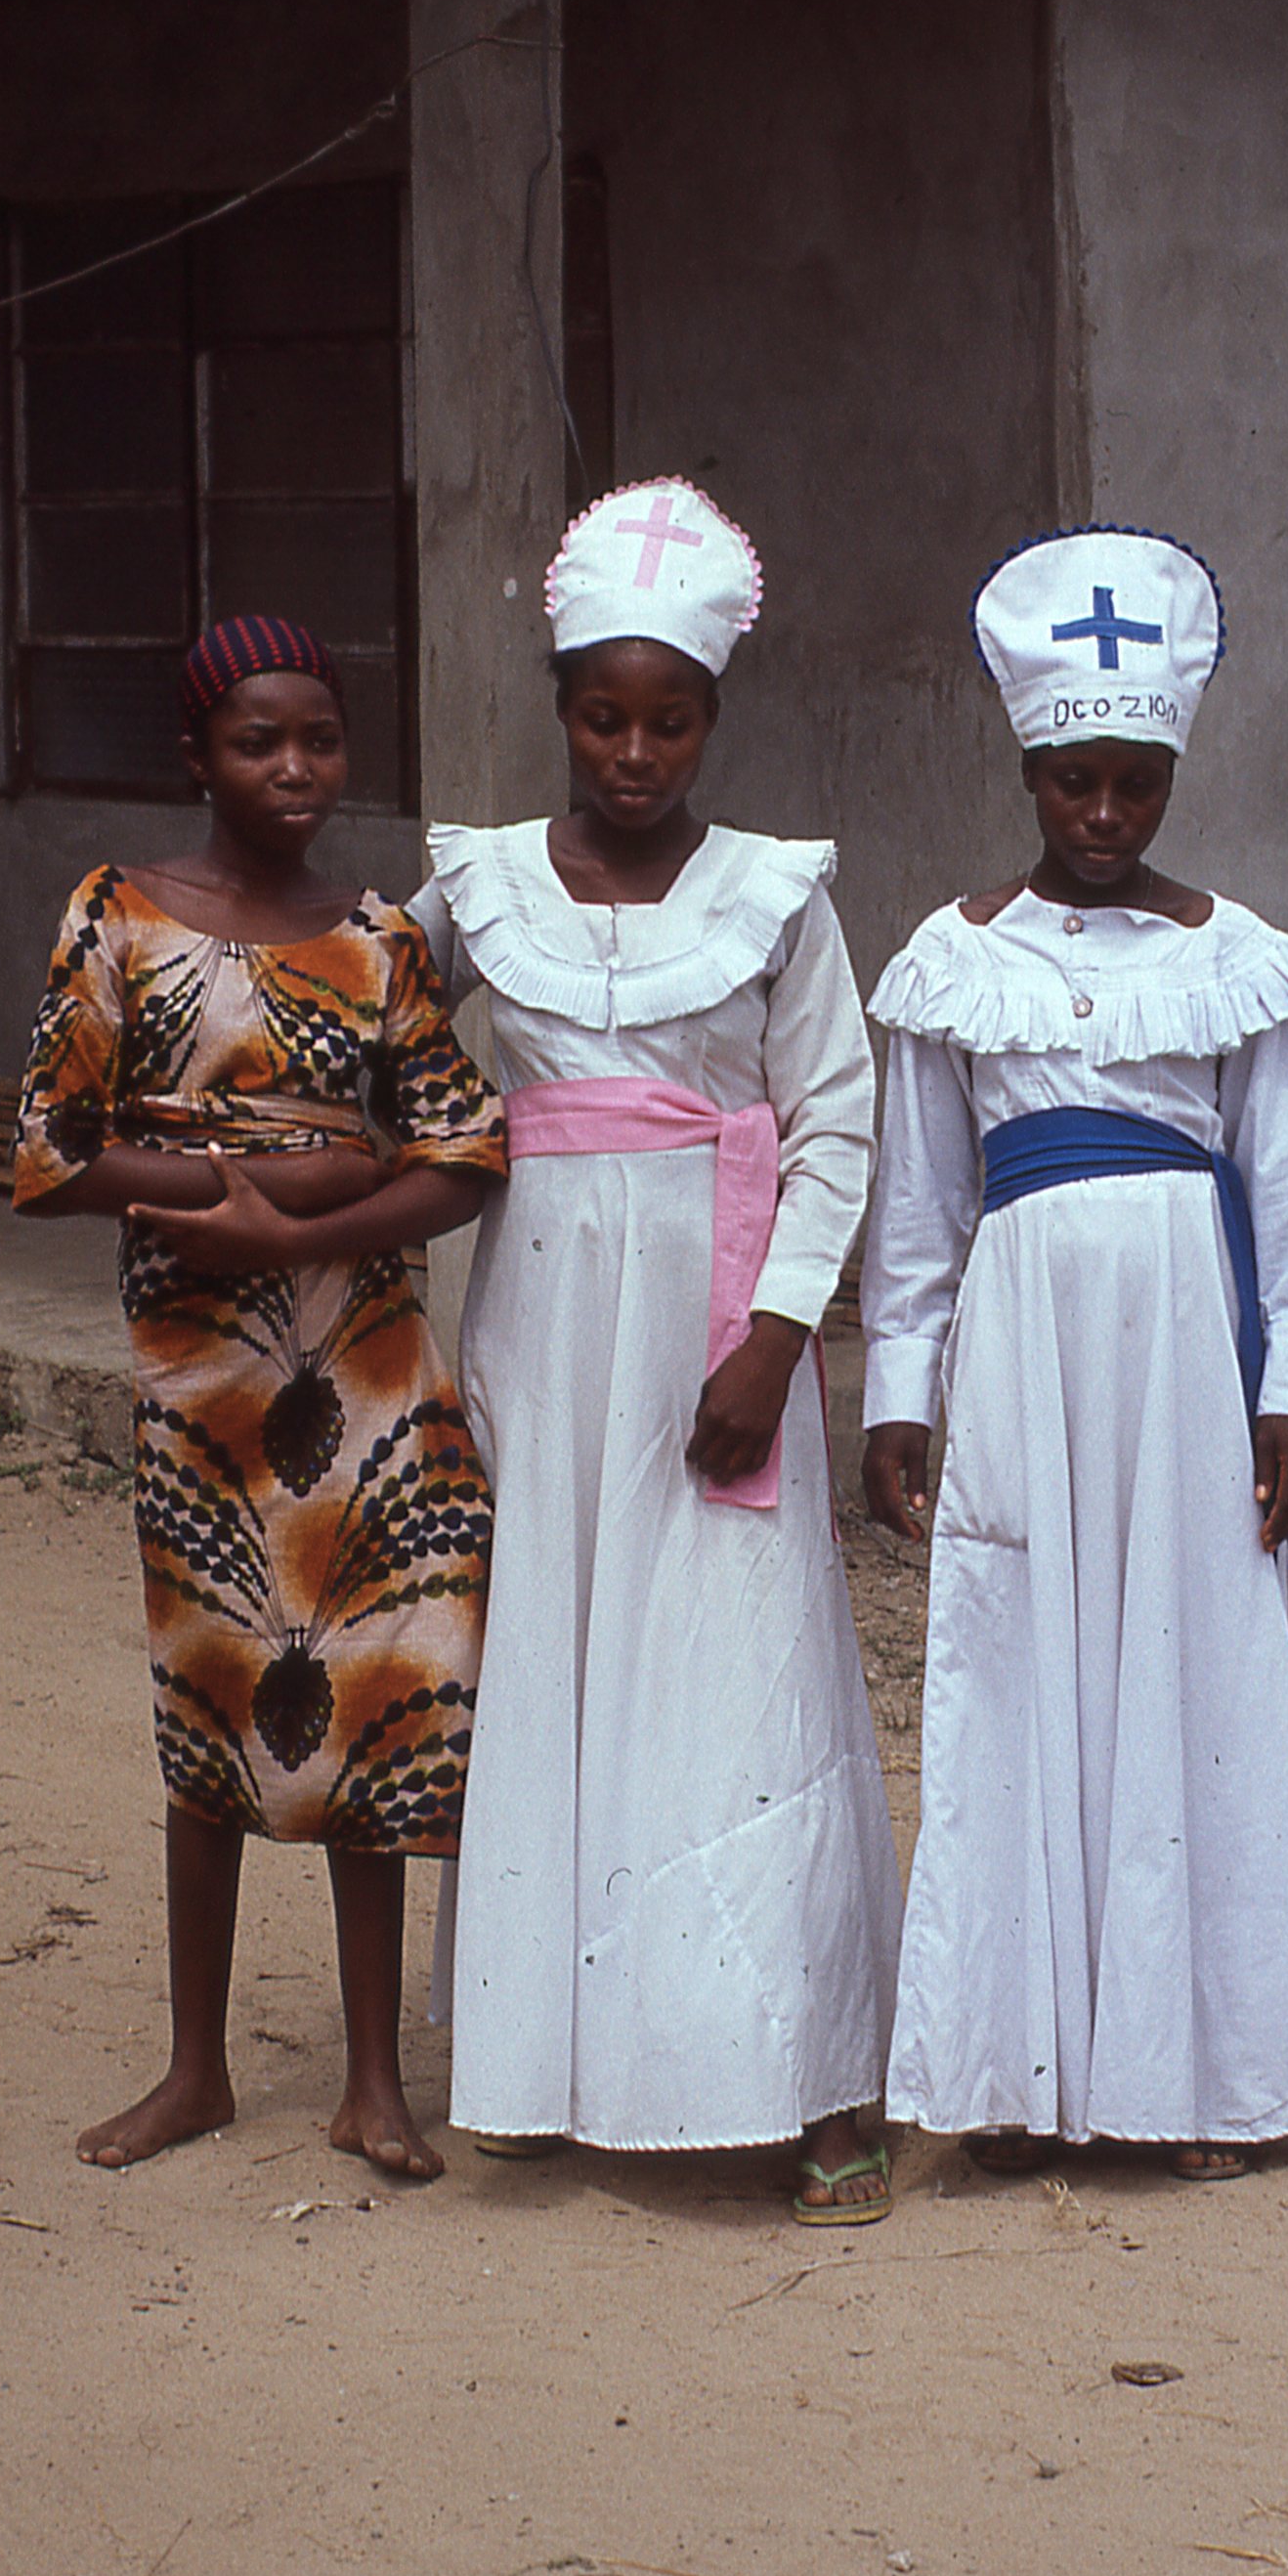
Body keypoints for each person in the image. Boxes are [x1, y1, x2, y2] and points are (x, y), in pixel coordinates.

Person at [859, 528, 1288, 2177]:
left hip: (1186, 1355)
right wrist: (897, 1390)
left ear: (1171, 778)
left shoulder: (1232, 957)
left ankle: (1206, 2077)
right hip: (1024, 1362)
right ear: (1029, 773)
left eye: (1135, 786)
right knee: (1020, 1669)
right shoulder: (958, 959)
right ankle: (1019, 2071)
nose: (1103, 815)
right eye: (1074, 783)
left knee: (1192, 1668)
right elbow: (919, 1205)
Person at [410, 481, 902, 2226]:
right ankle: (552, 2060)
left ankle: (798, 2075)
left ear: (711, 719)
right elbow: (368, 1035)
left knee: (738, 1668)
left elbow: (833, 1121)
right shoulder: (474, 890)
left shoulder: (773, 897)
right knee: (559, 1651)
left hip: (718, 1327)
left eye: (670, 720)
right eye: (604, 717)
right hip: (546, 1327)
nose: (635, 753)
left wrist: (776, 1334)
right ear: (560, 709)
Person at [13, 615, 506, 2181]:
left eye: (320, 740)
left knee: (374, 1681)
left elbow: (465, 1155)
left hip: (368, 1361)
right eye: (257, 742)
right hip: (202, 1371)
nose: (295, 769)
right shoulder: (116, 914)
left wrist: (301, 1225)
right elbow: (53, 1152)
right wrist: (269, 1184)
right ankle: (196, 2070)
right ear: (196, 756)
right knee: (211, 1685)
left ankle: (372, 2083)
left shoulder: (378, 940)